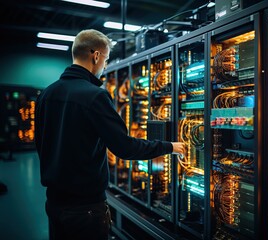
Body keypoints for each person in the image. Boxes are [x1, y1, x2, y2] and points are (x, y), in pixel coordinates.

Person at [34, 29, 186, 240]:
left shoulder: (46, 94)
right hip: (86, 207)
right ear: (96, 55)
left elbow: (40, 143)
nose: (104, 67)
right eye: (105, 60)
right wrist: (169, 146)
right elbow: (125, 147)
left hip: (54, 203)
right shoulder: (94, 95)